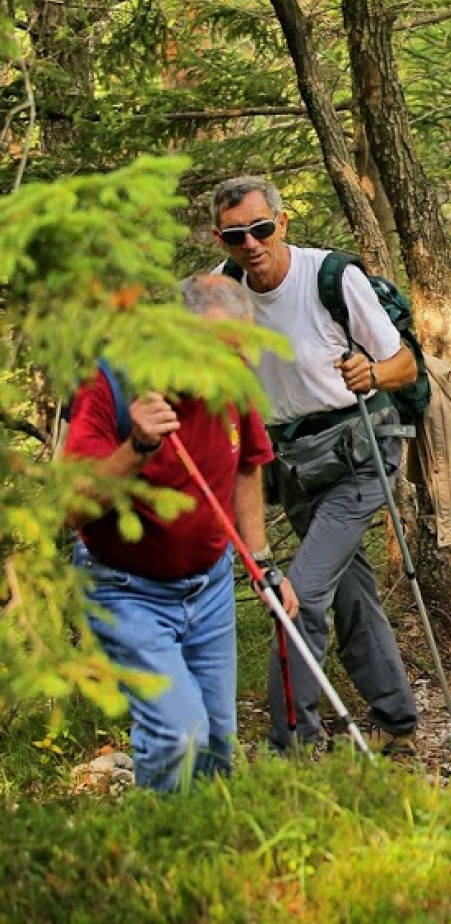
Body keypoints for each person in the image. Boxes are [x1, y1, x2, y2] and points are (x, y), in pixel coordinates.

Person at [211, 175, 419, 756]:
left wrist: (373, 374)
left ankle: (292, 746)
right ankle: (397, 718)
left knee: (296, 594)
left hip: (361, 454)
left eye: (259, 229)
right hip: (294, 466)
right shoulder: (225, 293)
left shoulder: (331, 276)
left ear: (281, 223)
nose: (250, 244)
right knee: (348, 592)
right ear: (220, 239)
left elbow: (403, 365)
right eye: (235, 236)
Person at [65, 274, 298, 792]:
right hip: (126, 589)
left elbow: (247, 467)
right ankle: (159, 852)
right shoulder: (114, 385)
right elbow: (72, 506)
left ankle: (209, 854)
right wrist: (138, 446)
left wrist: (262, 562)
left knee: (218, 738)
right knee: (177, 733)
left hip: (209, 586)